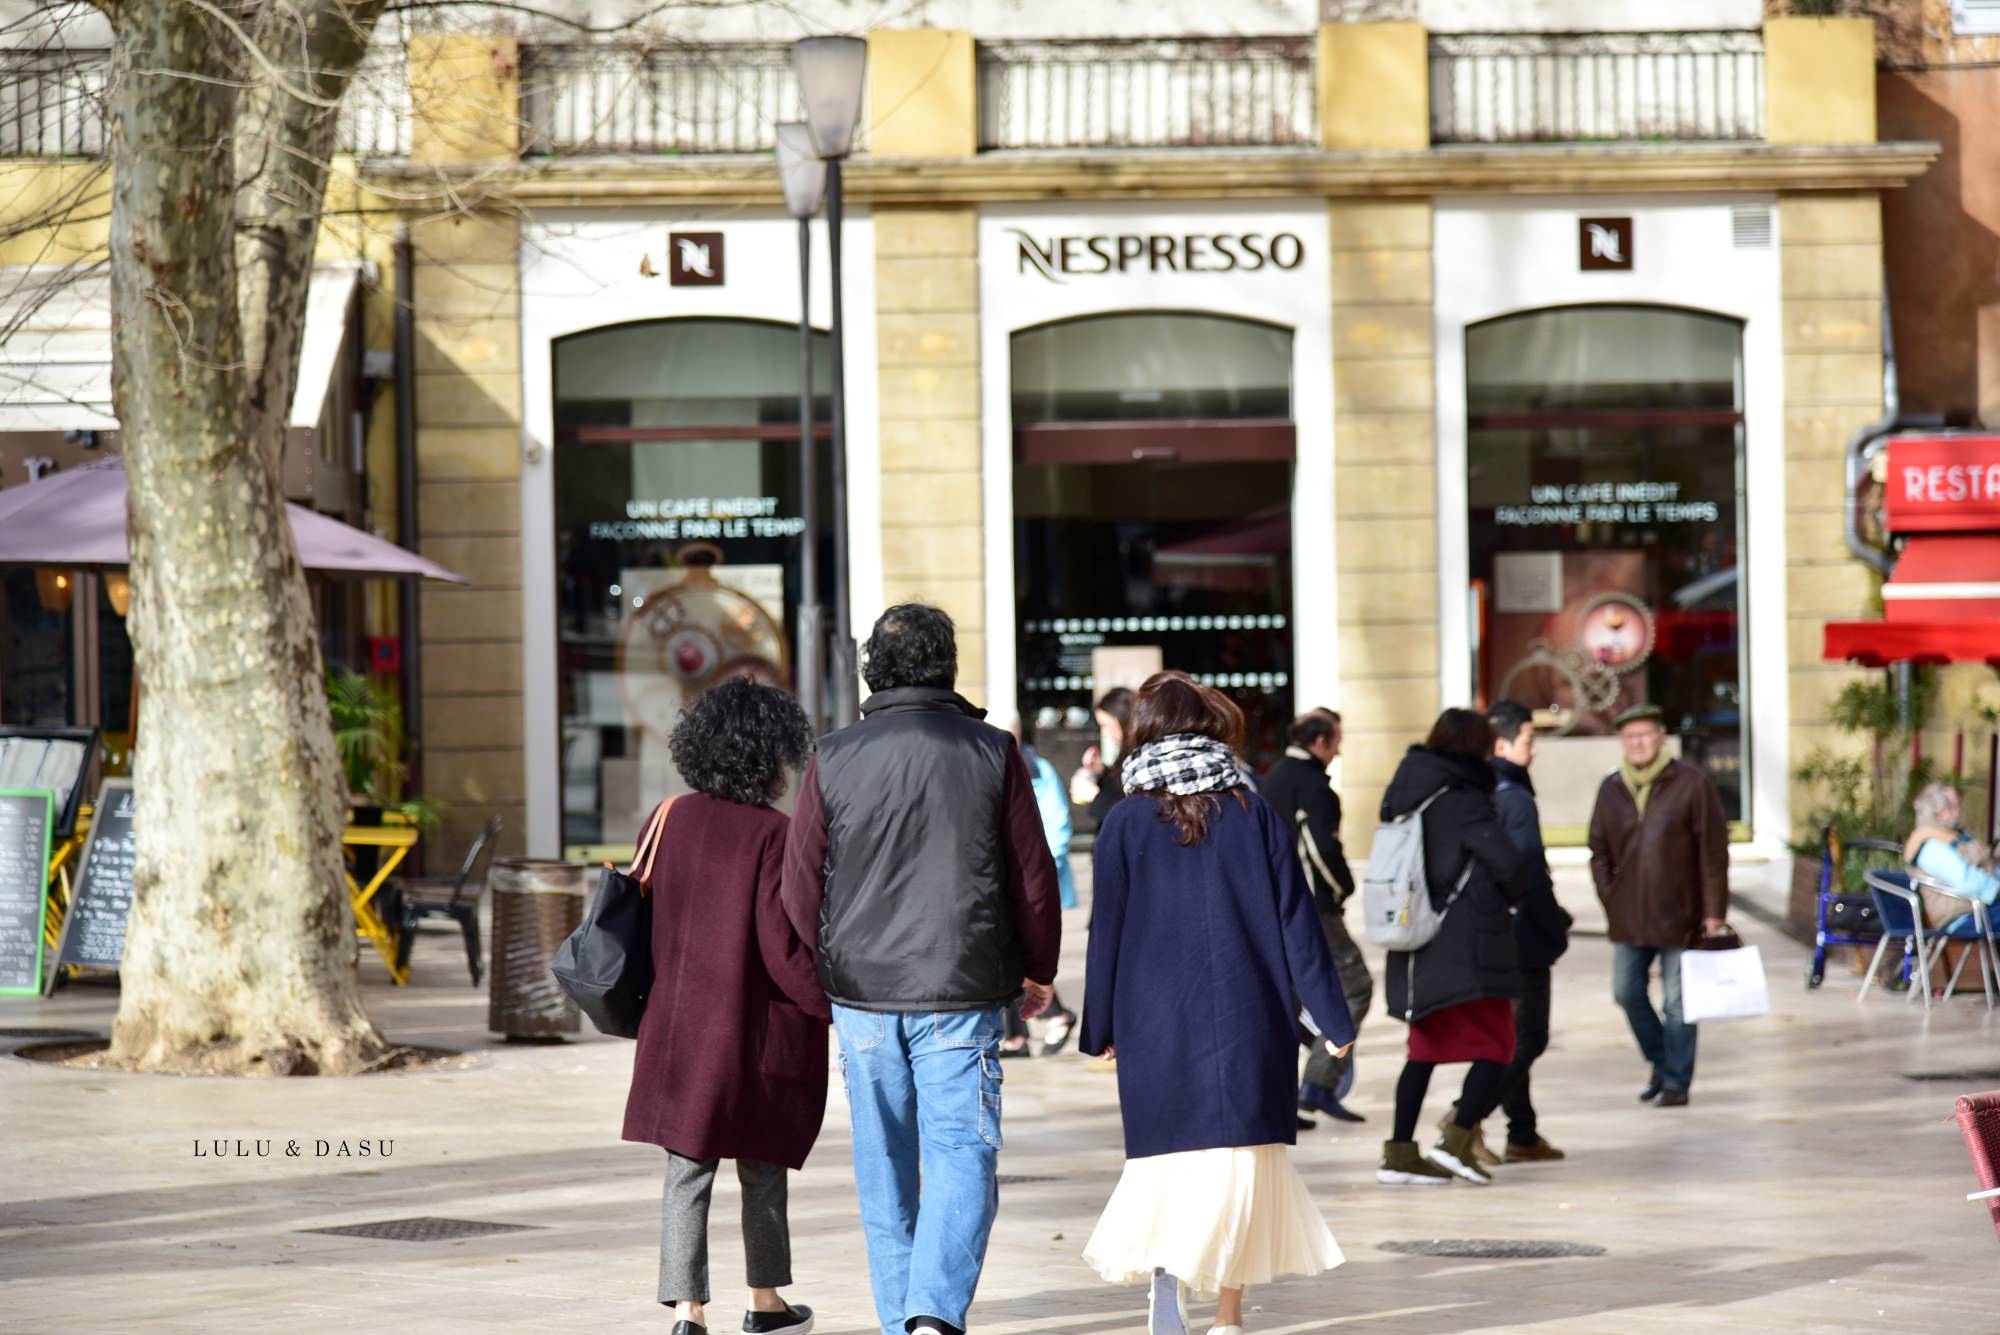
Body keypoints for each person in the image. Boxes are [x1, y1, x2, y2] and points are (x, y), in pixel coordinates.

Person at [782, 604, 1063, 1335]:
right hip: (962, 987)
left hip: (863, 994)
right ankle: (932, 1312)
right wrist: (1038, 968)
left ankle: (906, 1316)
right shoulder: (993, 751)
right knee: (963, 1150)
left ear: (872, 666)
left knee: (884, 1164)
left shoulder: (833, 754)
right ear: (949, 664)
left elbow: (798, 882)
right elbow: (1033, 876)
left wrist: (827, 966)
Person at [1079, 671, 1354, 1335]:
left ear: (1143, 730)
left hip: (1152, 1020)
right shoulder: (1250, 808)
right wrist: (1332, 1017)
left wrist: (1100, 1025)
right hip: (1246, 1013)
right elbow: (1297, 919)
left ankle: (1168, 1282)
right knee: (1241, 1169)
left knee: (1168, 1162)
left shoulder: (1122, 819)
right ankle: (1227, 1316)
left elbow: (1106, 928)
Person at [622, 677, 824, 1335]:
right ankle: (765, 1302)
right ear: (770, 754)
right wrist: (831, 1002)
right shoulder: (773, 832)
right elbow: (781, 943)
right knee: (761, 1163)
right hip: (747, 1031)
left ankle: (687, 1311)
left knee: (687, 1167)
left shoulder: (668, 817)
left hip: (677, 1029)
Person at [1377, 708, 1526, 1187]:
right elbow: (1507, 865)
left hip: (1418, 939)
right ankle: (1456, 1140)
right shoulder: (1464, 799)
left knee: (1423, 1049)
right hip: (1468, 944)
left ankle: (1399, 1153)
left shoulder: (1409, 790)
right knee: (1501, 1044)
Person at [1587, 703, 1730, 1110]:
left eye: (1644, 735)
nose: (1637, 743)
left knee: (1677, 1002)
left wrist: (1714, 911)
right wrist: (1608, 894)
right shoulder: (1611, 786)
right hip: (1629, 914)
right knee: (1626, 992)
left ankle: (1676, 1081)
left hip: (1680, 913)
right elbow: (1597, 848)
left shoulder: (1690, 782)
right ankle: (1662, 1061)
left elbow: (1712, 850)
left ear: (1661, 736)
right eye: (1629, 737)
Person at [1260, 708, 1372, 1126]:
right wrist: (1342, 888)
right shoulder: (1313, 787)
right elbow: (1320, 849)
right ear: (1320, 741)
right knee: (1355, 987)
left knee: (1288, 997)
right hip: (1313, 908)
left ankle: (1292, 1093)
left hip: (1273, 905)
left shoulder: (1272, 778)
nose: (1339, 751)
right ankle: (1318, 1084)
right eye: (1337, 741)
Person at [1486, 699, 1571, 1164]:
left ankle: (1521, 1130)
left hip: (1497, 930)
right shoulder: (1513, 796)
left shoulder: (1488, 786)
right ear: (1502, 743)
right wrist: (1552, 926)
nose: (1533, 751)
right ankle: (1465, 1117)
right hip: (1523, 936)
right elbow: (1529, 870)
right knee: (1528, 1036)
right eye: (1528, 741)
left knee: (1514, 1035)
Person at [1002, 711, 1079, 1057]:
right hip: (1008, 880)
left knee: (1018, 953)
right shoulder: (994, 769)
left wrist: (1042, 868)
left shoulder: (1037, 769)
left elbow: (1058, 826)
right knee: (1005, 951)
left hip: (1032, 881)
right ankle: (1015, 1035)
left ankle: (1054, 1016)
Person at [1905, 781, 1999, 925]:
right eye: (1956, 806)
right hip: (1963, 917)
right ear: (1943, 813)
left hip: (1980, 909)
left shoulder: (1950, 836)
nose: (1960, 811)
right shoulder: (1932, 847)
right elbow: (1967, 881)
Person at [1069, 686, 1134, 825]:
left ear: (1122, 720)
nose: (1104, 733)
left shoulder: (1139, 757)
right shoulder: (1127, 753)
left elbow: (1132, 810)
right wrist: (1101, 770)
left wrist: (1095, 797)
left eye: (1106, 725)